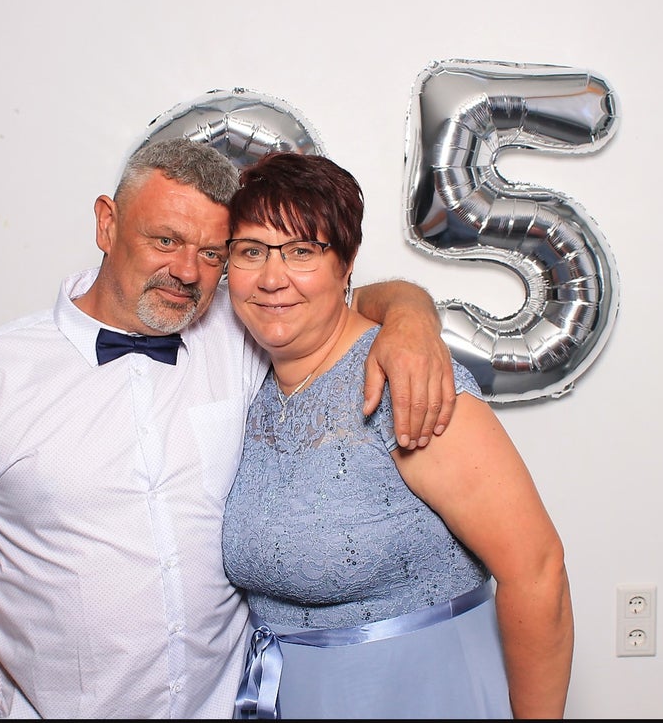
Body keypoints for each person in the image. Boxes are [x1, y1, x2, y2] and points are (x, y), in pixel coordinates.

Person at [0, 137, 457, 719]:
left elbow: (330, 298)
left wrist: (410, 316)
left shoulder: (241, 328)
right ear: (107, 224)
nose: (186, 272)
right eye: (165, 241)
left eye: (211, 253)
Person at [220, 151, 574, 719]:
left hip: (424, 696)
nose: (271, 277)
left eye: (302, 251)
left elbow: (538, 572)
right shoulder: (245, 374)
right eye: (251, 251)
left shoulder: (406, 380)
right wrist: (408, 305)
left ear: (346, 263)